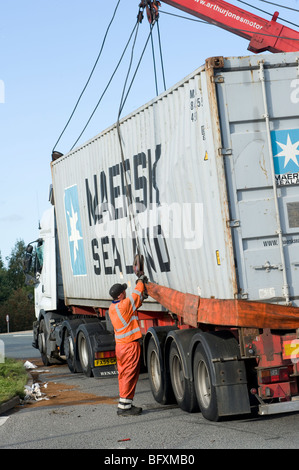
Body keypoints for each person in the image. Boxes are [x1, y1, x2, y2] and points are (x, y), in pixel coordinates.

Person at [108, 276, 147, 416]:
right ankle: (125, 408)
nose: (125, 291)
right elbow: (136, 293)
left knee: (124, 375)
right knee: (130, 376)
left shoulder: (113, 307)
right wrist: (140, 281)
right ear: (120, 295)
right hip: (130, 346)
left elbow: (134, 305)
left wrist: (141, 298)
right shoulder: (125, 305)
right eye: (123, 290)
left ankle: (124, 404)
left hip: (120, 347)